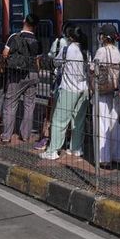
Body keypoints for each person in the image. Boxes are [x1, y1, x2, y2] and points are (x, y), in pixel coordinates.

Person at [39, 25, 90, 160]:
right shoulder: (86, 51)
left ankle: (53, 151)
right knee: (78, 120)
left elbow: (56, 63)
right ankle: (76, 148)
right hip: (84, 89)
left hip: (69, 89)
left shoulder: (67, 49)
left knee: (59, 120)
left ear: (71, 37)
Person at [0, 14, 43, 143]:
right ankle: (25, 135)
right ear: (35, 26)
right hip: (33, 74)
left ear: (24, 21)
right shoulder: (37, 41)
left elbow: (5, 54)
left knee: (10, 103)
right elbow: (38, 61)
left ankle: (6, 136)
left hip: (17, 74)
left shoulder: (14, 37)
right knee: (29, 105)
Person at [34, 22, 71, 151]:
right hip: (73, 83)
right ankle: (68, 139)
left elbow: (52, 58)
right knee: (69, 112)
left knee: (52, 110)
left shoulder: (59, 42)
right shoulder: (78, 46)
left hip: (59, 80)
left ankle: (47, 137)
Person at [93, 24, 120, 167]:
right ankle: (118, 156)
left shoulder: (101, 51)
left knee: (101, 122)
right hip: (115, 90)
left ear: (104, 37)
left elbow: (93, 69)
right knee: (114, 123)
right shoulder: (117, 51)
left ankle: (103, 158)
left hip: (102, 91)